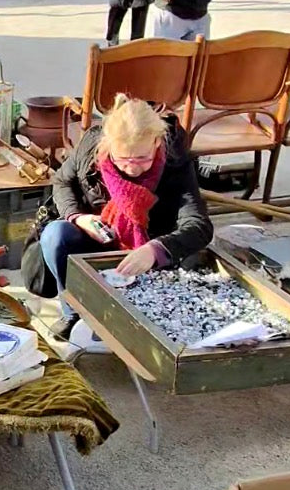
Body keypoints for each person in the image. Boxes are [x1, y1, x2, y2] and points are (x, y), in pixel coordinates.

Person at [39, 96, 212, 338]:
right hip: (100, 237)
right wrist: (77, 217)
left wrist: (156, 249)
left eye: (142, 159)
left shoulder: (175, 161)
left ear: (156, 142)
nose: (132, 168)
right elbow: (62, 181)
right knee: (55, 235)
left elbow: (199, 225)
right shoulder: (91, 146)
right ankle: (74, 312)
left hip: (148, 248)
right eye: (122, 159)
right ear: (108, 145)